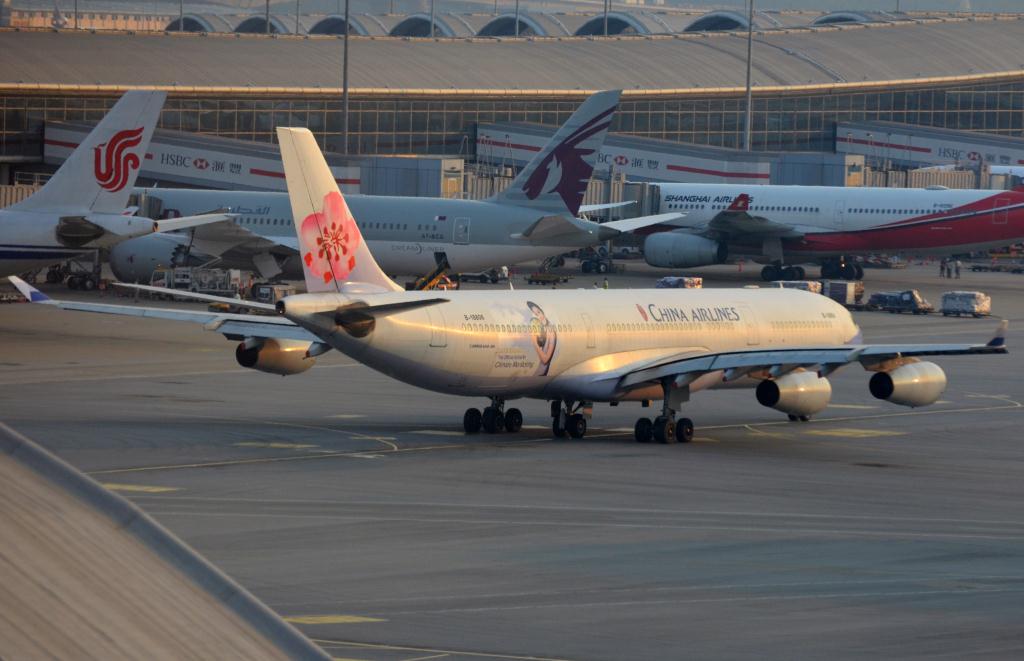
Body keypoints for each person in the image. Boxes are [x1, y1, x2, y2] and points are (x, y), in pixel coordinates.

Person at [527, 301, 557, 376]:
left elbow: (545, 360)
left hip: (540, 374)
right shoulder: (541, 330)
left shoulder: (550, 332)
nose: (538, 316)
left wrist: (534, 342)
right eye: (535, 315)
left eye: (538, 312)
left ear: (542, 311)